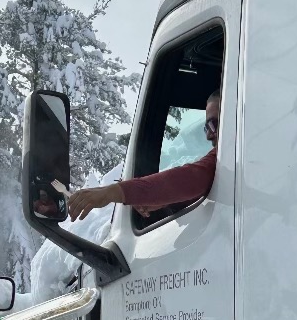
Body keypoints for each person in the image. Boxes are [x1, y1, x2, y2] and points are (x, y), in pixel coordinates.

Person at [68, 90, 221, 222]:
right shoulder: (230, 161)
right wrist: (165, 200)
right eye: (206, 127)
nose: (208, 135)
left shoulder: (227, 160)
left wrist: (112, 192)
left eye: (213, 124)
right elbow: (207, 186)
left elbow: (194, 177)